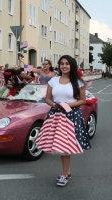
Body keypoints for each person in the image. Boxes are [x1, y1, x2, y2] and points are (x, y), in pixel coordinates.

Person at [35, 55, 90, 187]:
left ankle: (65, 174)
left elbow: (83, 100)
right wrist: (54, 105)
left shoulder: (78, 82)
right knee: (60, 145)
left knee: (65, 146)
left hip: (71, 116)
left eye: (67, 64)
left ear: (72, 65)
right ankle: (67, 172)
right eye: (62, 64)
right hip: (56, 115)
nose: (64, 66)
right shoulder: (54, 80)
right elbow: (47, 98)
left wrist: (68, 105)